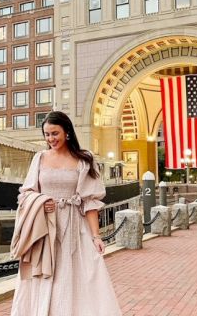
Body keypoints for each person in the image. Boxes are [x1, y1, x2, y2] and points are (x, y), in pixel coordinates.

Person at [10, 111, 121, 316]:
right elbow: (26, 193)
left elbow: (90, 202)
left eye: (55, 133)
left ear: (67, 132)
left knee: (77, 275)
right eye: (46, 134)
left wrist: (96, 236)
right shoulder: (39, 158)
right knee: (43, 276)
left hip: (74, 228)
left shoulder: (84, 160)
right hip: (44, 229)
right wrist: (41, 202)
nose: (50, 139)